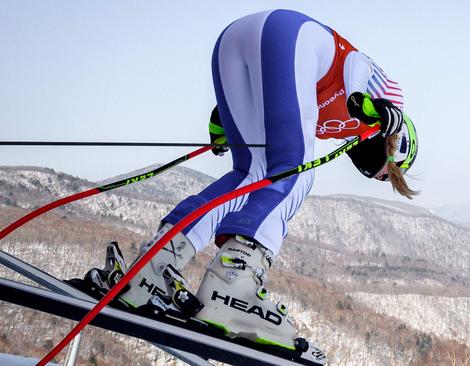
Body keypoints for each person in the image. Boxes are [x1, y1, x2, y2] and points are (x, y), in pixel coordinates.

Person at [115, 9, 418, 351]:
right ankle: (233, 281)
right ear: (398, 145)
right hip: (292, 35)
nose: (374, 174)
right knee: (296, 169)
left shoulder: (335, 125)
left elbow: (268, 88)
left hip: (236, 42)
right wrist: (365, 99)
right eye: (386, 173)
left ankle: (154, 264)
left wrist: (224, 120)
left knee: (251, 172)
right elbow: (357, 63)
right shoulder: (390, 104)